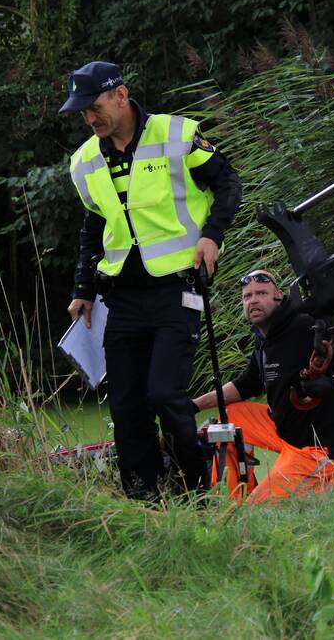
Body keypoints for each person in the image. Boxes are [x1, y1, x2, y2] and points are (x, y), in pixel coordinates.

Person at [60, 61, 242, 500]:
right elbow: (93, 226)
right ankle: (144, 498)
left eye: (95, 107)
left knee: (163, 392)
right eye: (83, 113)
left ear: (121, 95)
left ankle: (193, 491)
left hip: (177, 289)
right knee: (126, 406)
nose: (90, 118)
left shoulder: (176, 134)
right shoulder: (84, 161)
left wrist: (212, 236)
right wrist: (83, 288)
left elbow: (229, 183)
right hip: (122, 298)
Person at [192, 269, 334, 504]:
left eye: (261, 293)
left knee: (257, 512)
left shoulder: (304, 327)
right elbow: (244, 385)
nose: (253, 300)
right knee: (228, 419)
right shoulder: (264, 338)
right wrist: (193, 406)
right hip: (285, 432)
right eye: (247, 296)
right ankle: (237, 495)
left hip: (321, 447)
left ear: (278, 297)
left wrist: (332, 382)